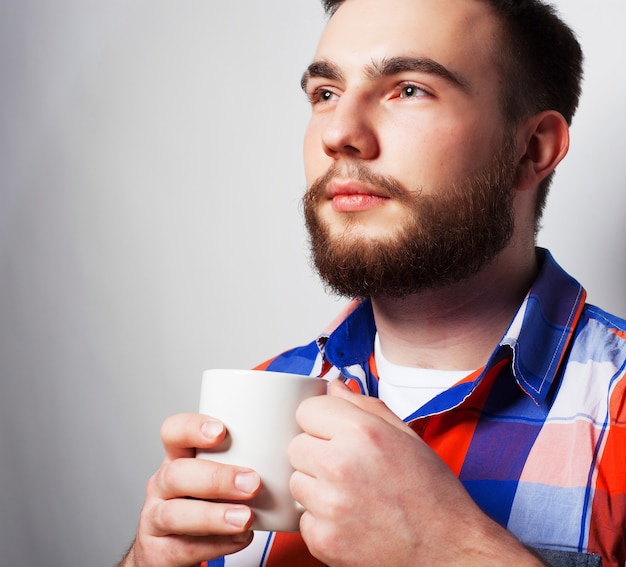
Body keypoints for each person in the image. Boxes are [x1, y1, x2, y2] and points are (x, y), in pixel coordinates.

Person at [119, 0, 626, 565]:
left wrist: (451, 550)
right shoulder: (263, 399)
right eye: (325, 94)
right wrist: (144, 559)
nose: (338, 133)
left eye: (408, 89)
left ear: (531, 149)